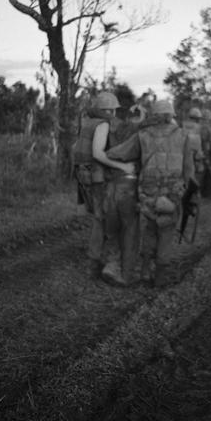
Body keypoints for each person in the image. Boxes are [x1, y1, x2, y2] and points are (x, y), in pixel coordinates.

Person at [107, 99, 195, 287]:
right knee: (166, 231)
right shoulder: (184, 136)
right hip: (172, 195)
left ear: (153, 116)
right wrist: (187, 195)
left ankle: (145, 271)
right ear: (171, 115)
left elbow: (117, 153)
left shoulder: (142, 135)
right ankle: (160, 277)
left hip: (147, 193)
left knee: (150, 228)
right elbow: (189, 171)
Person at [73, 92, 137, 280]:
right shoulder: (103, 124)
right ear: (109, 110)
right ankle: (96, 264)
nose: (115, 114)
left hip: (84, 176)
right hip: (96, 177)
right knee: (102, 219)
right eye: (114, 111)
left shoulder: (87, 122)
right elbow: (98, 154)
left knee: (99, 218)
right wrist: (122, 166)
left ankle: (96, 262)